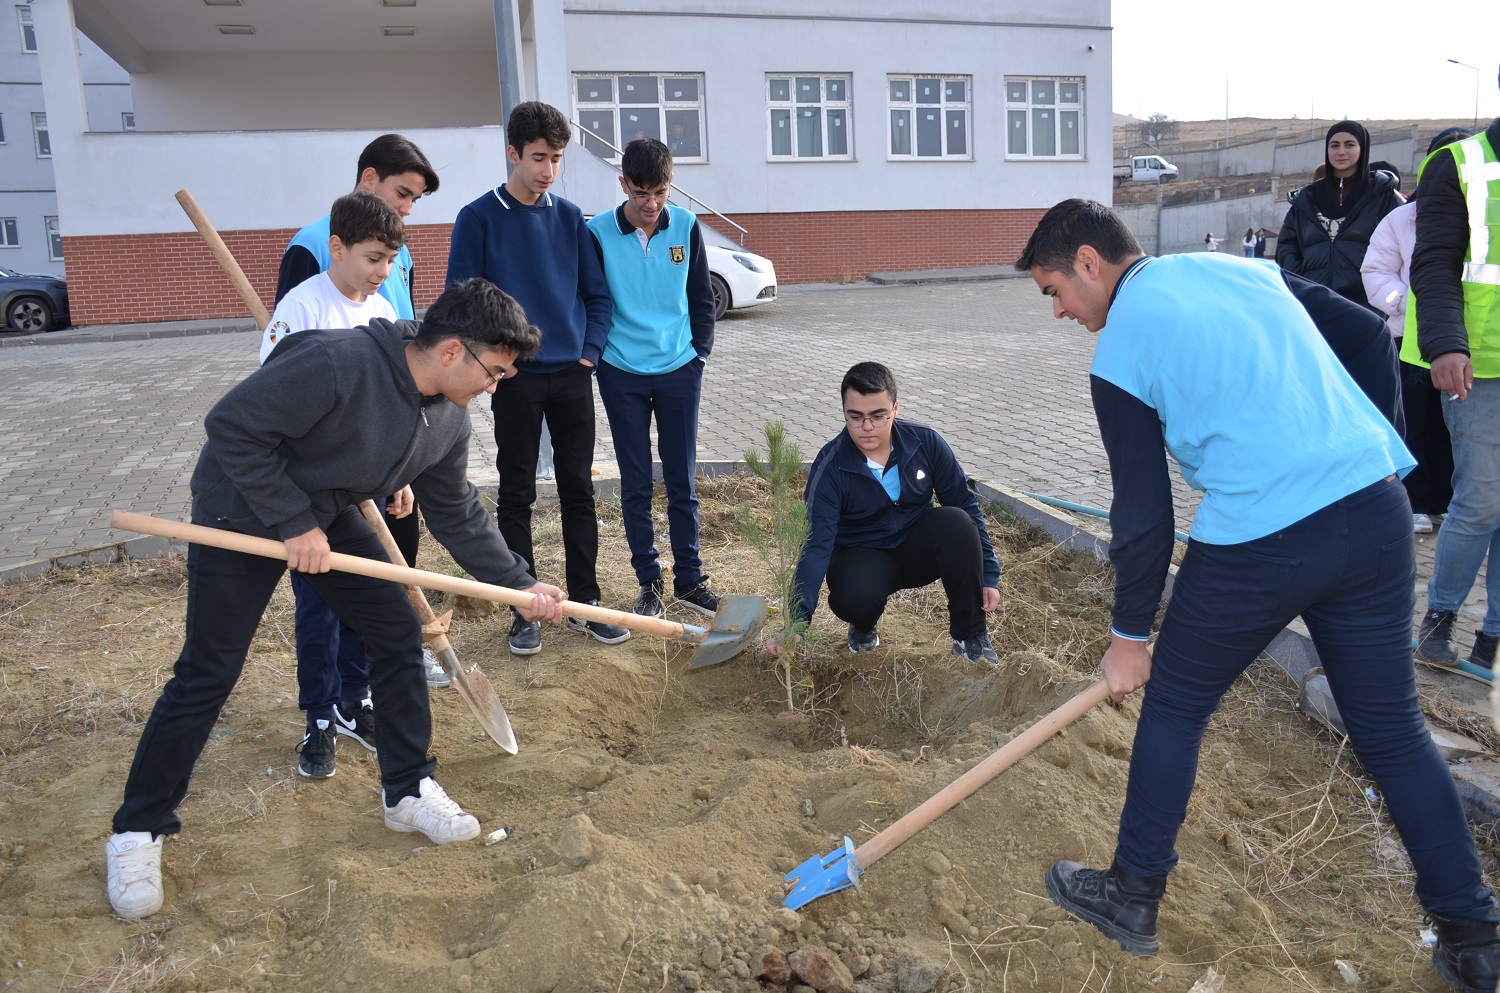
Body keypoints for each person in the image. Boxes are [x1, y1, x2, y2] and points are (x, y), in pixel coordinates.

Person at [1014, 198, 1500, 993]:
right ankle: (1474, 937)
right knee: (1395, 735)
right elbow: (1371, 335)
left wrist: (1129, 634)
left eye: (1055, 291)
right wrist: (1365, 450)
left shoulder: (1119, 351)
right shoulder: (1246, 271)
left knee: (1174, 706)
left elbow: (1141, 514)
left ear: (1091, 264)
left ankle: (1132, 895)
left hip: (1264, 540)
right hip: (1376, 515)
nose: (1062, 311)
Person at [103, 279, 566, 921]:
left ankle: (407, 791)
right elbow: (231, 428)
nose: (496, 387)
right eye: (495, 372)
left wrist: (520, 583)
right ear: (454, 351)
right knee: (208, 671)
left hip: (323, 510)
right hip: (238, 510)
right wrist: (293, 523)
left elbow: (457, 512)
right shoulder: (336, 362)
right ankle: (136, 830)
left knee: (397, 632)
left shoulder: (448, 420)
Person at [445, 101, 628, 655]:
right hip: (514, 380)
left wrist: (589, 354)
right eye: (539, 157)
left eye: (557, 159)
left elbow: (597, 297)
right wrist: (497, 365)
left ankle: (585, 603)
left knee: (579, 488)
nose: (548, 170)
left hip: (572, 376)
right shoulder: (477, 218)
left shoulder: (572, 218)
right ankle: (522, 609)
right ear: (512, 154)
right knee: (516, 493)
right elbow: (462, 300)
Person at [275, 133, 450, 691]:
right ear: (369, 177)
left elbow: (408, 356)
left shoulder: (397, 264)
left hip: (381, 453)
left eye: (415, 200)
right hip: (323, 467)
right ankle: (321, 708)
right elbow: (285, 376)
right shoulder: (309, 251)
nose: (407, 208)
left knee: (382, 571)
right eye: (403, 192)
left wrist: (403, 464)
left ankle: (366, 684)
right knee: (324, 590)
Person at [263, 191, 411, 776]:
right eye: (373, 258)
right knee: (318, 606)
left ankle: (356, 699)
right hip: (310, 494)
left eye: (391, 262)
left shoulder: (380, 317)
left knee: (368, 598)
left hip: (366, 485)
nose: (383, 273)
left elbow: (392, 408)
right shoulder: (300, 310)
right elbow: (268, 410)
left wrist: (398, 475)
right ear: (337, 247)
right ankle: (318, 717)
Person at [783, 362, 1002, 662]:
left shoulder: (925, 442)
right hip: (863, 555)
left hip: (916, 549)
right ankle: (863, 626)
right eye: (855, 417)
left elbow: (965, 502)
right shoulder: (831, 468)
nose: (867, 427)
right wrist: (796, 625)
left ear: (896, 408)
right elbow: (815, 546)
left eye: (878, 416)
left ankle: (971, 636)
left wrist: (989, 575)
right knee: (855, 597)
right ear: (844, 412)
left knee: (958, 523)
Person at [587, 138, 719, 617]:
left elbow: (701, 297)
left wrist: (699, 354)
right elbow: (592, 300)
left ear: (671, 187)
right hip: (621, 372)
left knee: (682, 479)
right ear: (623, 185)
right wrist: (599, 359)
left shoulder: (685, 225)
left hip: (680, 369)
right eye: (640, 192)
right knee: (636, 481)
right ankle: (649, 581)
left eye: (660, 192)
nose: (650, 203)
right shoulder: (599, 232)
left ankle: (689, 578)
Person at [1409, 103, 1500, 675]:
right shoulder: (1459, 162)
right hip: (1480, 365)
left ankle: (1492, 638)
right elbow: (1435, 262)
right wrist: (1447, 344)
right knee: (1482, 500)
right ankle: (1439, 619)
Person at [1361, 128, 1471, 536]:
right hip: (1409, 340)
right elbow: (1375, 273)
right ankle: (1417, 501)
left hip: (1467, 341)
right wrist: (1412, 305)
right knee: (1416, 423)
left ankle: (1448, 501)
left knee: (1456, 427)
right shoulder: (1401, 219)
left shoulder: (1482, 215)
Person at [1276, 120, 1404, 307]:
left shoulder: (1385, 198)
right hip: (1312, 302)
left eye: (1349, 144)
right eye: (1334, 145)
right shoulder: (1307, 198)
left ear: (1363, 148)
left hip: (1368, 305)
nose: (1341, 152)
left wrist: (1383, 289)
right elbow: (1288, 245)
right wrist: (1300, 280)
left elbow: (1403, 245)